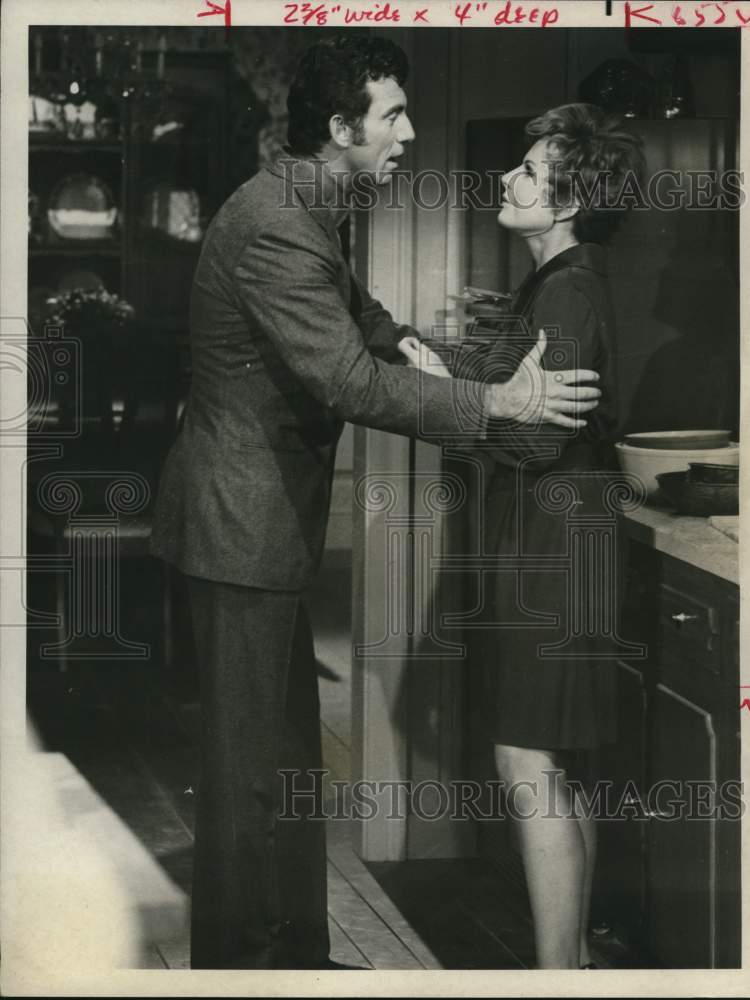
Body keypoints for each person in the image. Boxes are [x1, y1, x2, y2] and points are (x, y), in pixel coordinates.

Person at [150, 37, 601, 971]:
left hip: (262, 528)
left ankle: (298, 965)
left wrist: (422, 349)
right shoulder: (275, 221)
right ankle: (244, 976)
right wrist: (496, 400)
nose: (407, 133)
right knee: (247, 785)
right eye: (392, 116)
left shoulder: (313, 204)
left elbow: (362, 322)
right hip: (236, 526)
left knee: (286, 770)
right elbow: (350, 381)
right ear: (339, 126)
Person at [401, 103, 645, 969]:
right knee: (557, 765)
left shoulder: (569, 288)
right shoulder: (558, 283)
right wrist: (444, 364)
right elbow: (522, 393)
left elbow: (538, 435)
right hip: (555, 538)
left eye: (530, 174)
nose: (508, 179)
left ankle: (552, 976)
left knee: (526, 761)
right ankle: (571, 965)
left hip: (549, 546)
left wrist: (443, 398)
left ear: (568, 200)